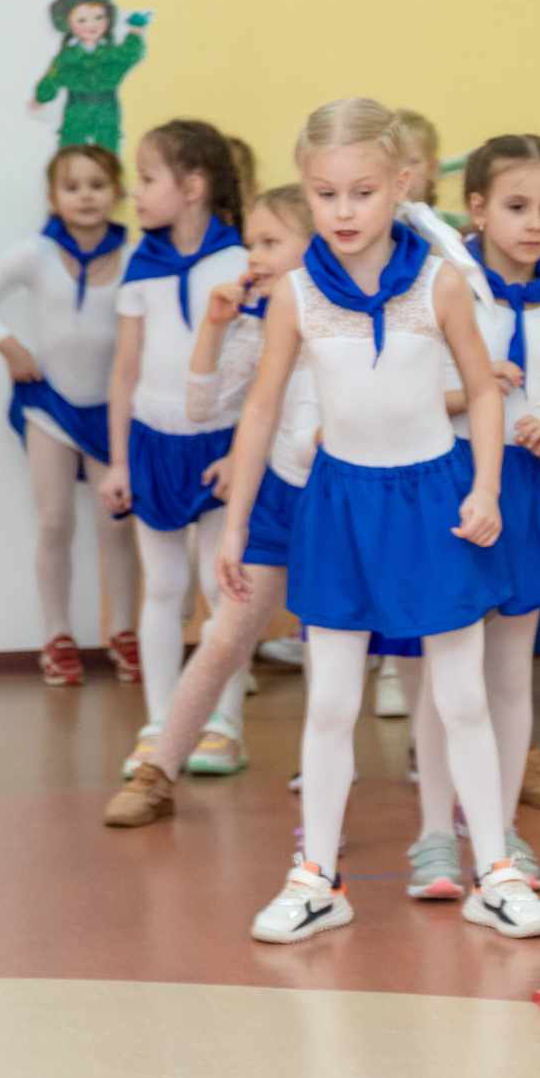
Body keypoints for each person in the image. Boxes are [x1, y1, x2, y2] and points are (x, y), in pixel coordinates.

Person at [215, 98, 540, 944]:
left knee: (462, 697)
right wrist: (234, 527)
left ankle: (495, 872)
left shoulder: (438, 282)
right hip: (339, 507)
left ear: (401, 186)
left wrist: (486, 487)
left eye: (362, 192)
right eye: (324, 194)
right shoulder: (295, 295)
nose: (343, 211)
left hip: (435, 503)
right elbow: (258, 414)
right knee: (330, 703)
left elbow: (481, 387)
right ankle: (317, 877)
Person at [396, 136, 540, 900]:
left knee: (511, 679)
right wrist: (468, 392)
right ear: (476, 209)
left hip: (531, 493)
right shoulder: (442, 292)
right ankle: (431, 834)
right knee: (445, 679)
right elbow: (401, 397)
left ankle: (498, 822)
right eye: (517, 207)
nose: (535, 224)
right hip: (450, 485)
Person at [102, 184, 314, 825]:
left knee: (361, 641)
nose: (255, 254)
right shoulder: (258, 324)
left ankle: (351, 765)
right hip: (278, 497)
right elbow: (204, 407)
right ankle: (159, 768)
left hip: (347, 496)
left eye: (271, 242)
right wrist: (215, 330)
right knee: (225, 632)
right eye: (252, 241)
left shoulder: (352, 320)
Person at [96, 121, 251, 781]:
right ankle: (162, 722)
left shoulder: (242, 262)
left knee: (226, 592)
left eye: (148, 178)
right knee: (163, 589)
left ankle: (223, 725)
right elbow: (125, 370)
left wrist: (243, 454)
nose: (134, 191)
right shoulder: (140, 265)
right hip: (152, 446)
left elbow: (262, 371)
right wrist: (120, 459)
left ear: (192, 187)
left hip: (221, 449)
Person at [0, 145, 141, 686]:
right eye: (73, 186)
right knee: (56, 521)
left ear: (117, 193)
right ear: (53, 198)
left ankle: (126, 632)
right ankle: (57, 637)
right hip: (50, 406)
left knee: (117, 526)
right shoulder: (36, 254)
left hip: (112, 410)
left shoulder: (136, 258)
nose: (85, 196)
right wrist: (8, 346)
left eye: (96, 185)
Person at [31, 0, 150, 152]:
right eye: (82, 20)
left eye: (99, 17)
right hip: (77, 109)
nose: (92, 25)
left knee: (107, 151)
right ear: (67, 23)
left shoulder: (111, 55)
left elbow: (130, 55)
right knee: (72, 149)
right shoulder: (67, 57)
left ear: (108, 18)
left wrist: (135, 33)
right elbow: (53, 78)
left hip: (107, 109)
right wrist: (41, 97)